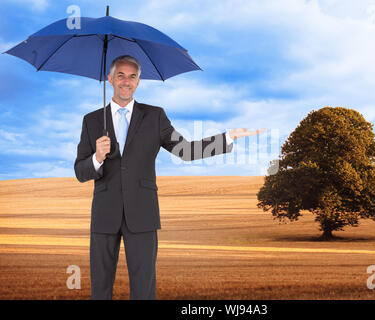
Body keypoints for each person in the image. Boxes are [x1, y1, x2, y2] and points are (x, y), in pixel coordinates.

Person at [74, 55, 265, 300]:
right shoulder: (91, 121)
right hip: (104, 215)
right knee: (100, 289)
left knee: (144, 289)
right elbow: (80, 172)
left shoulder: (155, 116)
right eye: (120, 75)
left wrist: (227, 137)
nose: (126, 81)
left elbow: (185, 151)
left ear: (138, 82)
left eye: (132, 76)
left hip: (142, 214)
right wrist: (97, 158)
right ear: (110, 79)